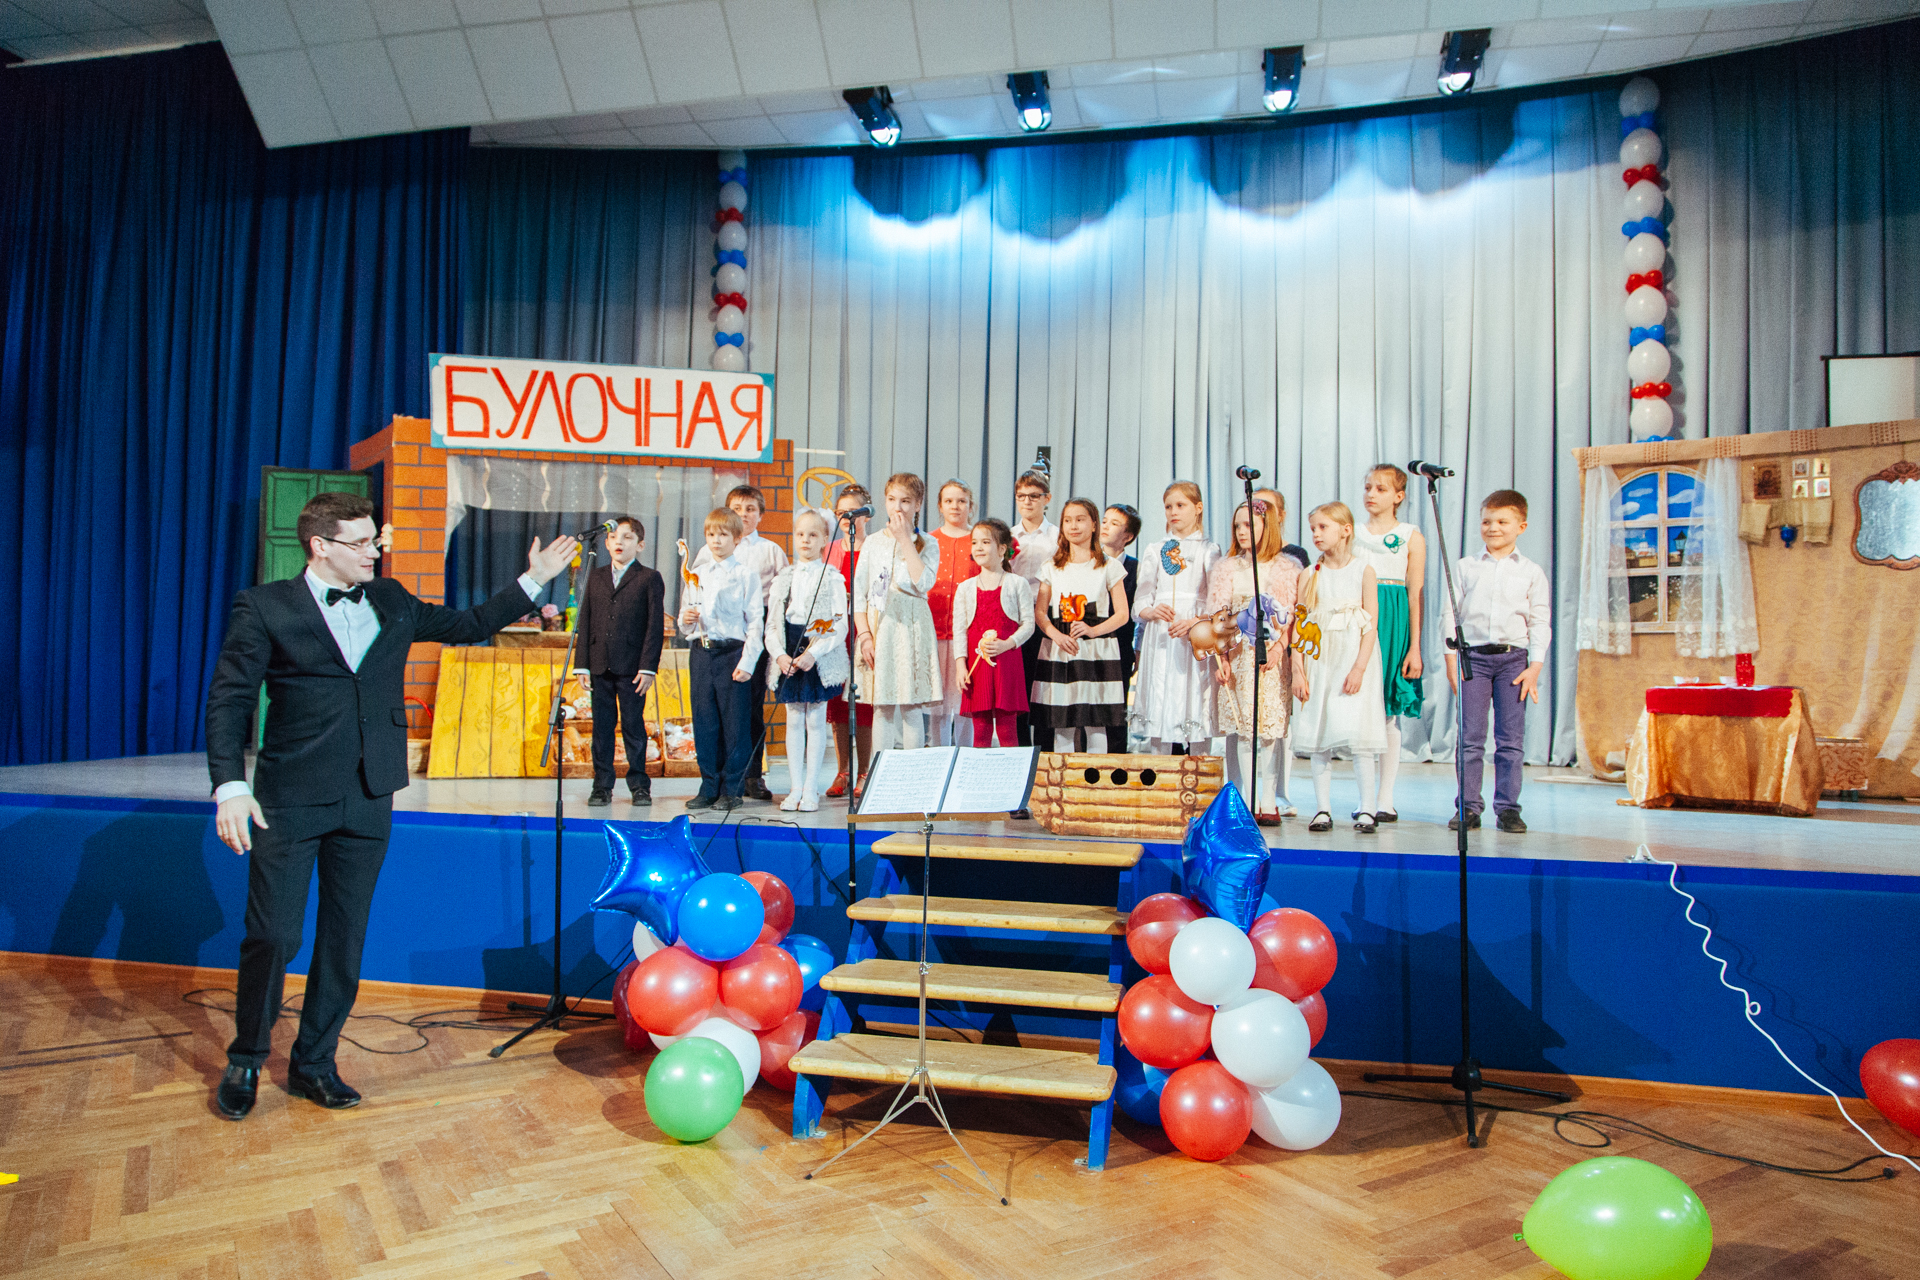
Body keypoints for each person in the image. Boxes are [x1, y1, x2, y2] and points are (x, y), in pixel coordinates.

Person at [204, 492, 578, 1120]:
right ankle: (246, 1056)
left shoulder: (392, 598)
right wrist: (230, 786)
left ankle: (314, 1063)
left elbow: (468, 625)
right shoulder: (264, 605)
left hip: (369, 795)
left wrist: (533, 579)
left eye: (374, 539)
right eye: (360, 542)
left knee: (344, 939)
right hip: (289, 798)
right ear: (320, 546)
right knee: (273, 935)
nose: (374, 551)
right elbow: (229, 699)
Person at [1442, 489, 1550, 834]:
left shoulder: (1531, 571)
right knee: (1470, 738)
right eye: (1487, 521)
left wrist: (1535, 667)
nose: (1493, 528)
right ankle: (1468, 808)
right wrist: (1450, 660)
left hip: (1513, 661)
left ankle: (1508, 809)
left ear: (1521, 526)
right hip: (1472, 658)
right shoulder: (1466, 567)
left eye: (1503, 521)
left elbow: (1540, 621)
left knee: (1510, 740)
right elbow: (1450, 614)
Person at [1290, 502, 1387, 834]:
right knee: (1320, 734)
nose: (1316, 534)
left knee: (1360, 736)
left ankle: (1368, 808)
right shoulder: (1310, 574)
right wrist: (1298, 668)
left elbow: (1370, 625)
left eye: (1323, 527)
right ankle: (1322, 808)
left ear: (1345, 530)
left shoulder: (1364, 571)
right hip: (1321, 658)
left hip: (1352, 657)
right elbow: (1300, 625)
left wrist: (1359, 668)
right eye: (1313, 528)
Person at [692, 485, 788, 801]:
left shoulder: (771, 550)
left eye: (750, 509)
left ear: (760, 515)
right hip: (718, 635)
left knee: (750, 710)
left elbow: (782, 598)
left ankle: (752, 775)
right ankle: (716, 781)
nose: (744, 514)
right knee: (714, 714)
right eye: (737, 508)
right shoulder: (707, 552)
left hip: (754, 634)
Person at [1209, 500, 1298, 826]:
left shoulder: (1287, 568)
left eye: (1249, 525)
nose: (1241, 532)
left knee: (1269, 729)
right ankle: (1245, 800)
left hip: (1270, 657)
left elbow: (1292, 620)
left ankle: (1268, 799)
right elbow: (1218, 617)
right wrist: (1220, 658)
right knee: (1243, 728)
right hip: (1237, 657)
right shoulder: (1227, 568)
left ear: (1267, 526)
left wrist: (1279, 650)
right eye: (1237, 526)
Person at [678, 506, 765, 811]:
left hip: (732, 654)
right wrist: (686, 619)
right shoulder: (697, 574)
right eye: (711, 534)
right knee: (705, 722)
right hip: (702, 653)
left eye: (723, 535)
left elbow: (755, 622)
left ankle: (732, 788)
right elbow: (685, 618)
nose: (716, 541)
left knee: (735, 724)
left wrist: (747, 662)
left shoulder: (745, 575)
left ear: (737, 538)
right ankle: (709, 785)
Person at [576, 516, 666, 808]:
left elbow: (654, 626)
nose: (619, 542)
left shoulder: (649, 578)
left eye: (627, 537)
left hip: (632, 667)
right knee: (602, 728)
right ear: (605, 543)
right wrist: (582, 664)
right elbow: (585, 620)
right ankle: (601, 786)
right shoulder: (596, 576)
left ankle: (639, 785)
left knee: (632, 726)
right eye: (614, 537)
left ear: (640, 545)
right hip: (599, 664)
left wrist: (648, 666)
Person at [1353, 465, 1426, 823]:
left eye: (1381, 489)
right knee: (1361, 714)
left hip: (1393, 622)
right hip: (1359, 619)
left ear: (1399, 496)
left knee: (1387, 713)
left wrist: (1414, 647)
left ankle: (1386, 797)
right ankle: (1365, 798)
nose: (1371, 494)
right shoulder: (1353, 533)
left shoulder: (1410, 536)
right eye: (1368, 487)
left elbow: (1415, 594)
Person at [764, 508, 848, 813]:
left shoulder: (832, 578)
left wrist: (815, 653)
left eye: (813, 535)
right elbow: (772, 625)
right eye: (800, 534)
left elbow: (840, 624)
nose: (805, 540)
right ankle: (795, 787)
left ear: (825, 539)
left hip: (816, 649)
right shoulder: (783, 578)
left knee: (815, 719)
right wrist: (779, 654)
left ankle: (811, 788)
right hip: (789, 647)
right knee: (794, 718)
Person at [1031, 498, 1131, 753]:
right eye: (1068, 520)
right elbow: (1040, 612)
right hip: (1060, 649)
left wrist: (1092, 630)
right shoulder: (1051, 567)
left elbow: (1122, 614)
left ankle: (1095, 777)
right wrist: (1056, 636)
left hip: (1097, 650)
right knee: (1061, 723)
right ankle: (1064, 776)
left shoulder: (1109, 565)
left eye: (1080, 520)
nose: (1073, 526)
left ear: (1094, 524)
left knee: (1096, 723)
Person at [1130, 481, 1221, 753]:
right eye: (1169, 506)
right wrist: (1150, 610)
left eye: (1181, 505)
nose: (1173, 512)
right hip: (1161, 634)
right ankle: (1160, 769)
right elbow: (1141, 600)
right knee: (1160, 697)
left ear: (1198, 507)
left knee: (1195, 695)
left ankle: (1199, 767)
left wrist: (1195, 622)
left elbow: (1217, 602)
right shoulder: (1154, 549)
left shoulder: (1208, 549)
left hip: (1194, 634)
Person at [854, 473, 940, 751]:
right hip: (880, 626)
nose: (897, 507)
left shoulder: (928, 542)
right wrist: (865, 636)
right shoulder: (872, 542)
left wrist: (905, 540)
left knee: (910, 705)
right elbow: (859, 594)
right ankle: (880, 769)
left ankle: (911, 771)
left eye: (905, 501)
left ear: (918, 504)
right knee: (882, 706)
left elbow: (923, 582)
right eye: (892, 500)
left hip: (911, 626)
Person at [952, 517, 1035, 749]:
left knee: (1008, 730)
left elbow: (1029, 624)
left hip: (1007, 663)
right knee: (980, 731)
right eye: (974, 542)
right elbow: (959, 630)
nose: (978, 547)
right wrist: (960, 665)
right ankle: (980, 772)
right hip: (977, 667)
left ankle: (1010, 771)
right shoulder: (965, 588)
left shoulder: (1017, 583)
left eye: (985, 542)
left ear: (1002, 550)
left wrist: (1007, 643)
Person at [1256, 487, 1306, 815]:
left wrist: (1286, 648)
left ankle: (1281, 792)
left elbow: (1299, 605)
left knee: (1279, 722)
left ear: (1281, 515)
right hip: (1250, 647)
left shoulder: (1294, 556)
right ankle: (1250, 793)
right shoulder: (1243, 556)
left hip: (1282, 646)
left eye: (1267, 508)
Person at [824, 485, 872, 797]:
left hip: (865, 631)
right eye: (841, 512)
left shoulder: (876, 548)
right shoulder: (829, 550)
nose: (846, 518)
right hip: (837, 634)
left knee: (863, 702)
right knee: (837, 704)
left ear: (866, 515)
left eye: (852, 512)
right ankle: (843, 770)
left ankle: (865, 771)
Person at [927, 479, 981, 747]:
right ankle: (938, 755)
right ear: (940, 506)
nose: (955, 506)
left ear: (971, 506)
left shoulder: (979, 540)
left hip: (968, 634)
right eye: (948, 501)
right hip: (934, 630)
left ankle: (964, 756)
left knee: (964, 702)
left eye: (961, 501)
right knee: (937, 703)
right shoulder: (928, 540)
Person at [1007, 469, 1057, 745]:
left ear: (1046, 499)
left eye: (1034, 496)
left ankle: (1046, 750)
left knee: (1045, 684)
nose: (1027, 501)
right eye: (1021, 496)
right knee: (1019, 686)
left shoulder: (1056, 536)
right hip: (1015, 616)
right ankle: (1021, 748)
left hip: (1046, 615)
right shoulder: (1008, 535)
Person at [1101, 502, 1143, 706]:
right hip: (1088, 647)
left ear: (1128, 536)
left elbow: (1139, 615)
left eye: (1114, 523)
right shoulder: (1087, 561)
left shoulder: (1136, 568)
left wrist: (1138, 650)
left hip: (1120, 648)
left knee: (1116, 709)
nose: (1106, 526)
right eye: (1104, 521)